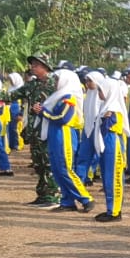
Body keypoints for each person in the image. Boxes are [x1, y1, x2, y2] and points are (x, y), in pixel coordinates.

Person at [39, 68, 94, 214]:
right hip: (55, 134)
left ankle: (85, 198)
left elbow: (63, 118)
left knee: (65, 168)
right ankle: (67, 201)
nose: (55, 83)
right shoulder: (59, 96)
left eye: (58, 79)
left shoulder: (69, 96)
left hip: (64, 134)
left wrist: (43, 112)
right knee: (57, 169)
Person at [87, 69, 128, 220]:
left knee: (113, 177)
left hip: (112, 144)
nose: (99, 92)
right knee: (106, 177)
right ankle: (110, 208)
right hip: (106, 143)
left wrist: (103, 119)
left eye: (101, 90)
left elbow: (107, 128)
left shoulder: (114, 109)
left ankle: (115, 211)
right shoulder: (106, 108)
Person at [20, 54, 60, 206]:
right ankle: (42, 195)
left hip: (49, 129)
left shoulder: (55, 85)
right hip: (35, 131)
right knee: (39, 165)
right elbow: (13, 94)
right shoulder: (32, 85)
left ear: (45, 67)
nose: (33, 67)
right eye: (33, 65)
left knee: (49, 163)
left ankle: (53, 196)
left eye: (36, 65)